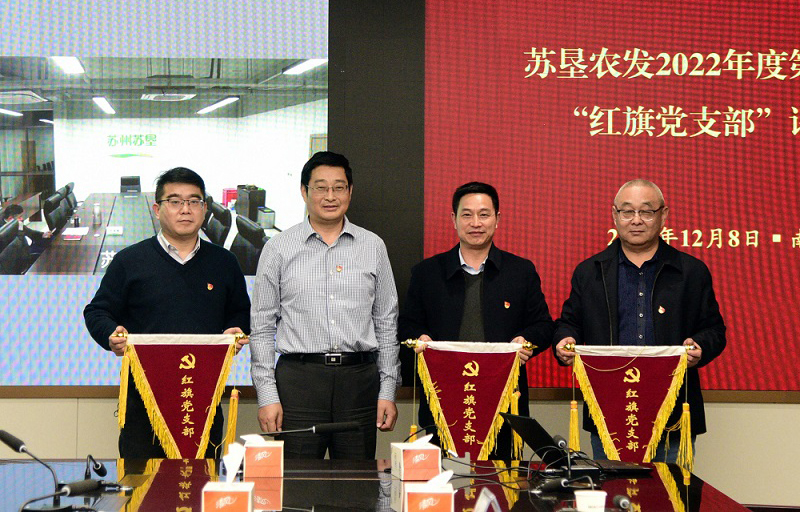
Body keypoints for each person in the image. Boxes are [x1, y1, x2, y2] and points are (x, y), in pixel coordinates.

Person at [553, 179, 726, 462]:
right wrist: (565, 340)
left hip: (672, 412)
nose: (636, 220)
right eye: (627, 211)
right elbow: (569, 323)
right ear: (614, 215)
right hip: (608, 410)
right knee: (613, 489)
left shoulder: (690, 271)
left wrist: (700, 346)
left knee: (671, 490)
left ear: (663, 215)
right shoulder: (590, 272)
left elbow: (714, 330)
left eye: (646, 211)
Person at [84, 167, 250, 459]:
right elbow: (97, 311)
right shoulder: (129, 260)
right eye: (175, 201)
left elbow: (239, 312)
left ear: (204, 209)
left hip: (203, 400)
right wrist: (110, 334)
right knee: (141, 483)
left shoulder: (224, 262)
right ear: (157, 209)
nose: (185, 209)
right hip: (144, 403)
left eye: (194, 201)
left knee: (202, 480)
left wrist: (235, 330)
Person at [250, 151, 400, 459]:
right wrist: (266, 395)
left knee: (356, 482)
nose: (330, 196)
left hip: (359, 382)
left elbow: (386, 323)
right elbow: (262, 327)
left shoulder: (373, 246)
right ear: (304, 191)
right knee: (297, 482)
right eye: (320, 187)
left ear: (350, 191)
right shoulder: (278, 248)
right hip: (299, 383)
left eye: (339, 187)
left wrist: (387, 390)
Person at [398, 181, 555, 459]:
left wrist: (526, 341)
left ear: (497, 219)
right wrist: (419, 338)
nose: (476, 223)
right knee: (445, 481)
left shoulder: (520, 271)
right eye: (467, 215)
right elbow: (407, 325)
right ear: (454, 219)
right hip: (443, 402)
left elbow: (543, 326)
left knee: (503, 482)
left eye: (484, 215)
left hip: (504, 403)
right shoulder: (427, 273)